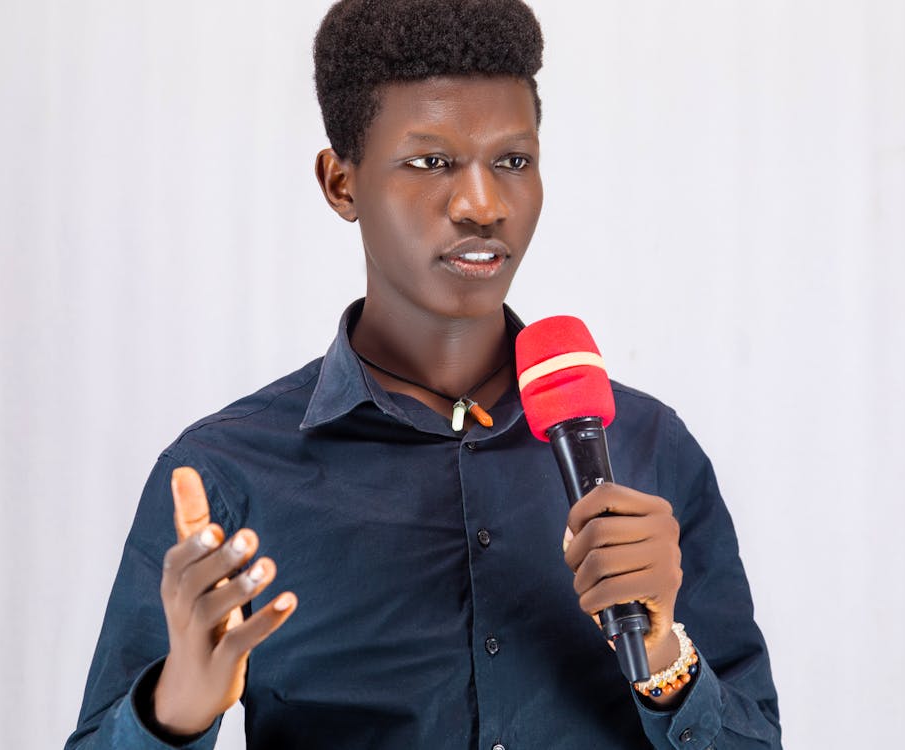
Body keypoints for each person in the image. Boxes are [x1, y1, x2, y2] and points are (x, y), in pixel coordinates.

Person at [67, 1, 782, 748]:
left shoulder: (646, 446)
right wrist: (175, 708)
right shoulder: (224, 477)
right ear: (341, 184)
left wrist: (665, 659)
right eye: (431, 162)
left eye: (513, 160)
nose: (483, 204)